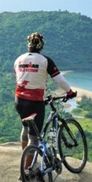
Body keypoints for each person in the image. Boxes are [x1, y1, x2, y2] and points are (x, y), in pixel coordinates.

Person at [14, 32, 76, 171]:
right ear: (41, 46)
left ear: (28, 45)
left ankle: (26, 156)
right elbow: (59, 80)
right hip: (35, 103)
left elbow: (22, 78)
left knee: (25, 127)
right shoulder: (45, 60)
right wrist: (69, 92)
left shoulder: (18, 59)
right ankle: (27, 168)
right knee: (34, 137)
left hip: (19, 100)